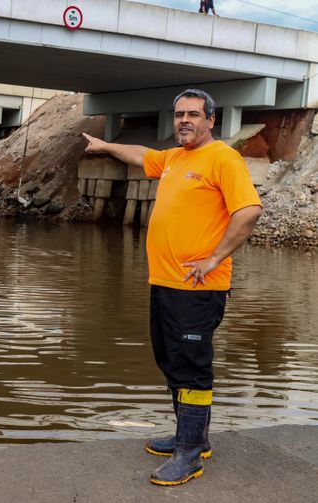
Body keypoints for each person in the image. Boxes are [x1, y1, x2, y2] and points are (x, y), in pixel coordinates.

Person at [82, 89, 262, 486]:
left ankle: (190, 454)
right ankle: (191, 437)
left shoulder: (222, 158)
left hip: (198, 288)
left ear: (210, 120)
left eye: (193, 114)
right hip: (164, 283)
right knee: (170, 360)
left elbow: (248, 210)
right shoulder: (175, 159)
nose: (184, 120)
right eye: (179, 114)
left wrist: (214, 258)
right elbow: (140, 155)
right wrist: (105, 145)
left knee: (192, 367)